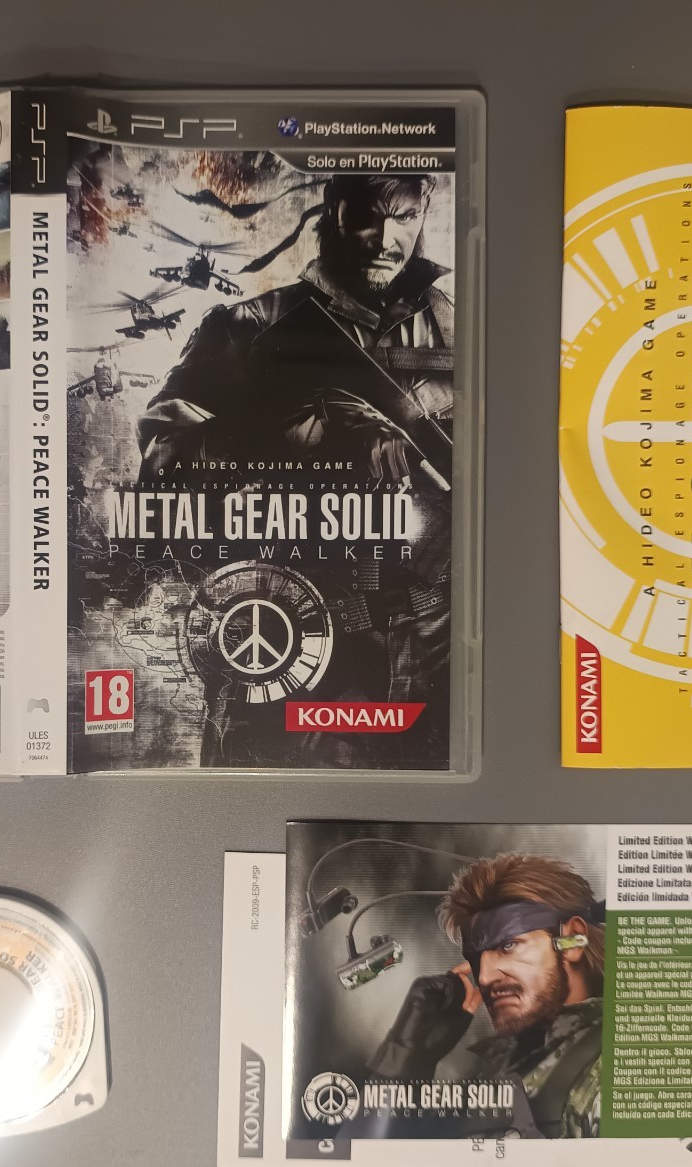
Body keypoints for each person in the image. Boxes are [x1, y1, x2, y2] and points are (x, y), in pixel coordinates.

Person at [135, 173, 455, 769]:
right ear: (333, 210)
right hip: (294, 652)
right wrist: (317, 429)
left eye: (405, 217)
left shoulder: (458, 328)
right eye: (367, 215)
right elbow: (163, 459)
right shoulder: (249, 326)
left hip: (434, 665)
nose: (385, 238)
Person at [365, 854, 604, 1138]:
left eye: (508, 945)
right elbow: (362, 1157)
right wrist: (407, 1056)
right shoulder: (495, 1069)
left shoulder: (611, 1067)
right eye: (476, 959)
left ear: (573, 940)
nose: (485, 977)